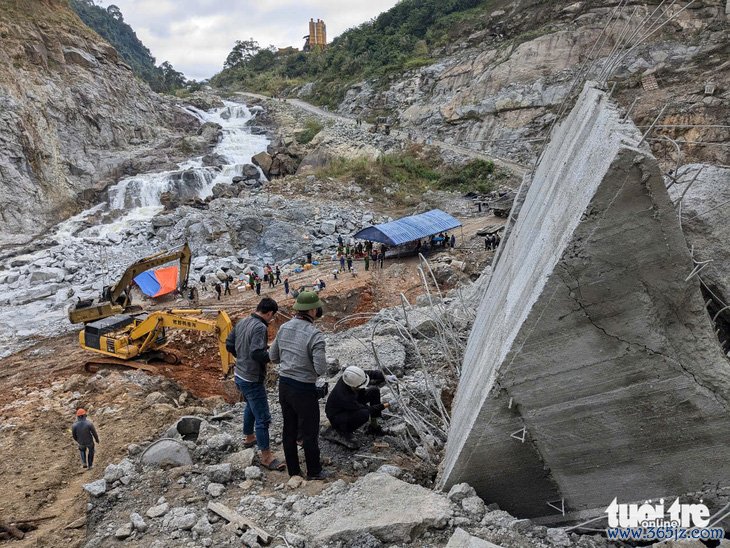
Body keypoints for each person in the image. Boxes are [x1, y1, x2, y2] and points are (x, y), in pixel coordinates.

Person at [270, 291, 328, 480]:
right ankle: (314, 471)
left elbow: (273, 357)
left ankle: (294, 471)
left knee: (289, 429)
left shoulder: (284, 327)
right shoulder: (315, 335)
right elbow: (320, 369)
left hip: (284, 386)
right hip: (304, 388)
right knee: (310, 431)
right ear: (312, 310)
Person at [225, 298, 285, 471]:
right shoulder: (260, 327)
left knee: (251, 405)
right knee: (263, 417)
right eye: (271, 317)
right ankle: (266, 456)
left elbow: (229, 344)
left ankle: (249, 437)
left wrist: (241, 357)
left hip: (239, 374)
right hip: (252, 377)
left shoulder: (243, 321)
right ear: (269, 313)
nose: (271, 320)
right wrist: (274, 356)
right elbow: (258, 353)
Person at [324, 366, 395, 448]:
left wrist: (386, 377)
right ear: (353, 386)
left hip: (351, 402)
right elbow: (367, 409)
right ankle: (343, 431)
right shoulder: (345, 397)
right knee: (364, 414)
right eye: (360, 386)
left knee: (374, 391)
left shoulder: (350, 377)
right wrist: (387, 404)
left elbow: (370, 373)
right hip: (337, 416)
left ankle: (374, 425)